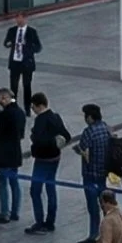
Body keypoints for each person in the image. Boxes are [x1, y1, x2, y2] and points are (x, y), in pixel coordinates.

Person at [25, 92, 72, 234]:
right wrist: (57, 143)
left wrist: (34, 136)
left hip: (42, 159)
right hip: (55, 158)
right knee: (51, 188)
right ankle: (50, 221)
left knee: (35, 190)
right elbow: (67, 136)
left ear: (39, 106)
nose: (32, 110)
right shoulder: (55, 117)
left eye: (33, 107)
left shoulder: (41, 120)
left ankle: (39, 222)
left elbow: (39, 140)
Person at [75, 103, 112, 243]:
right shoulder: (106, 128)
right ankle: (109, 234)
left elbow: (83, 148)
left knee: (93, 207)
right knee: (106, 205)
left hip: (91, 173)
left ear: (89, 117)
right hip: (104, 173)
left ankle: (93, 235)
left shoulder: (89, 132)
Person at [0, 87, 26, 224]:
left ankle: (4, 212)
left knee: (2, 184)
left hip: (3, 153)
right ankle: (15, 211)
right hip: (16, 152)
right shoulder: (20, 112)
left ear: (4, 98)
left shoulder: (5, 114)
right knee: (14, 183)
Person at [3, 12, 41, 114]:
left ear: (25, 19)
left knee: (27, 86)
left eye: (21, 20)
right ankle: (13, 105)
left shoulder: (32, 32)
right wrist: (9, 44)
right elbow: (6, 42)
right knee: (13, 87)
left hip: (27, 63)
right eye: (17, 20)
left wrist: (28, 49)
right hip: (15, 62)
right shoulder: (12, 31)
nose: (19, 22)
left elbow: (38, 47)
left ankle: (27, 107)